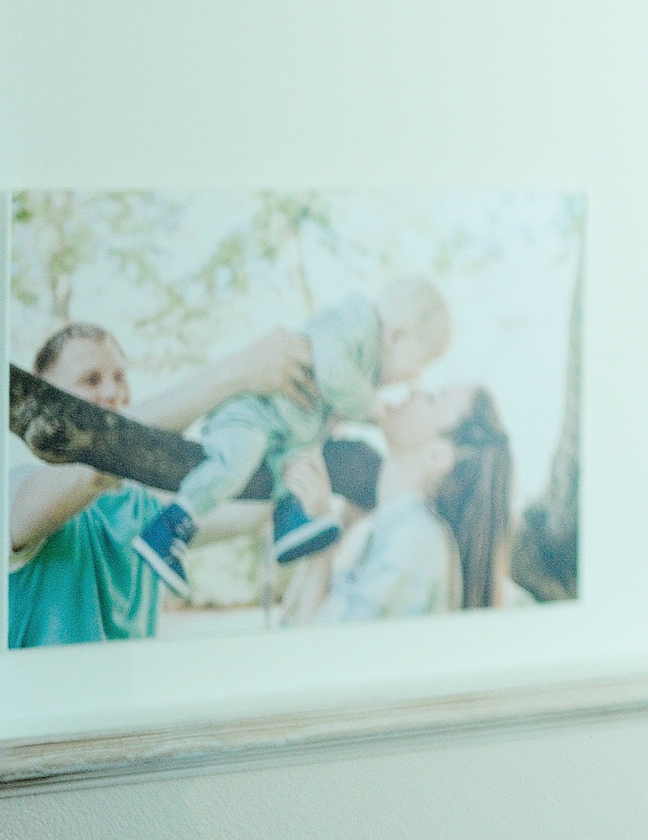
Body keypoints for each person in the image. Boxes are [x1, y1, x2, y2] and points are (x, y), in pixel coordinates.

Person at [8, 321, 328, 648]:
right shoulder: (16, 493)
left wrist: (302, 464)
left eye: (120, 377)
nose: (112, 392)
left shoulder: (145, 510)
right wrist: (241, 370)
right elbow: (97, 460)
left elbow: (256, 512)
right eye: (91, 379)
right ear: (45, 396)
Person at [134, 277, 451, 597]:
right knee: (234, 462)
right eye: (418, 364)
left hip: (282, 430)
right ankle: (171, 526)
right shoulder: (354, 327)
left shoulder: (364, 357)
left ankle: (291, 523)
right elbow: (334, 375)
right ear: (396, 336)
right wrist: (371, 405)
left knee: (298, 468)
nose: (414, 377)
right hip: (253, 415)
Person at [297, 382, 514, 623]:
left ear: (437, 456)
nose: (415, 392)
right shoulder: (397, 531)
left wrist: (321, 539)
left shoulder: (413, 539)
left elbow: (320, 649)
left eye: (432, 398)